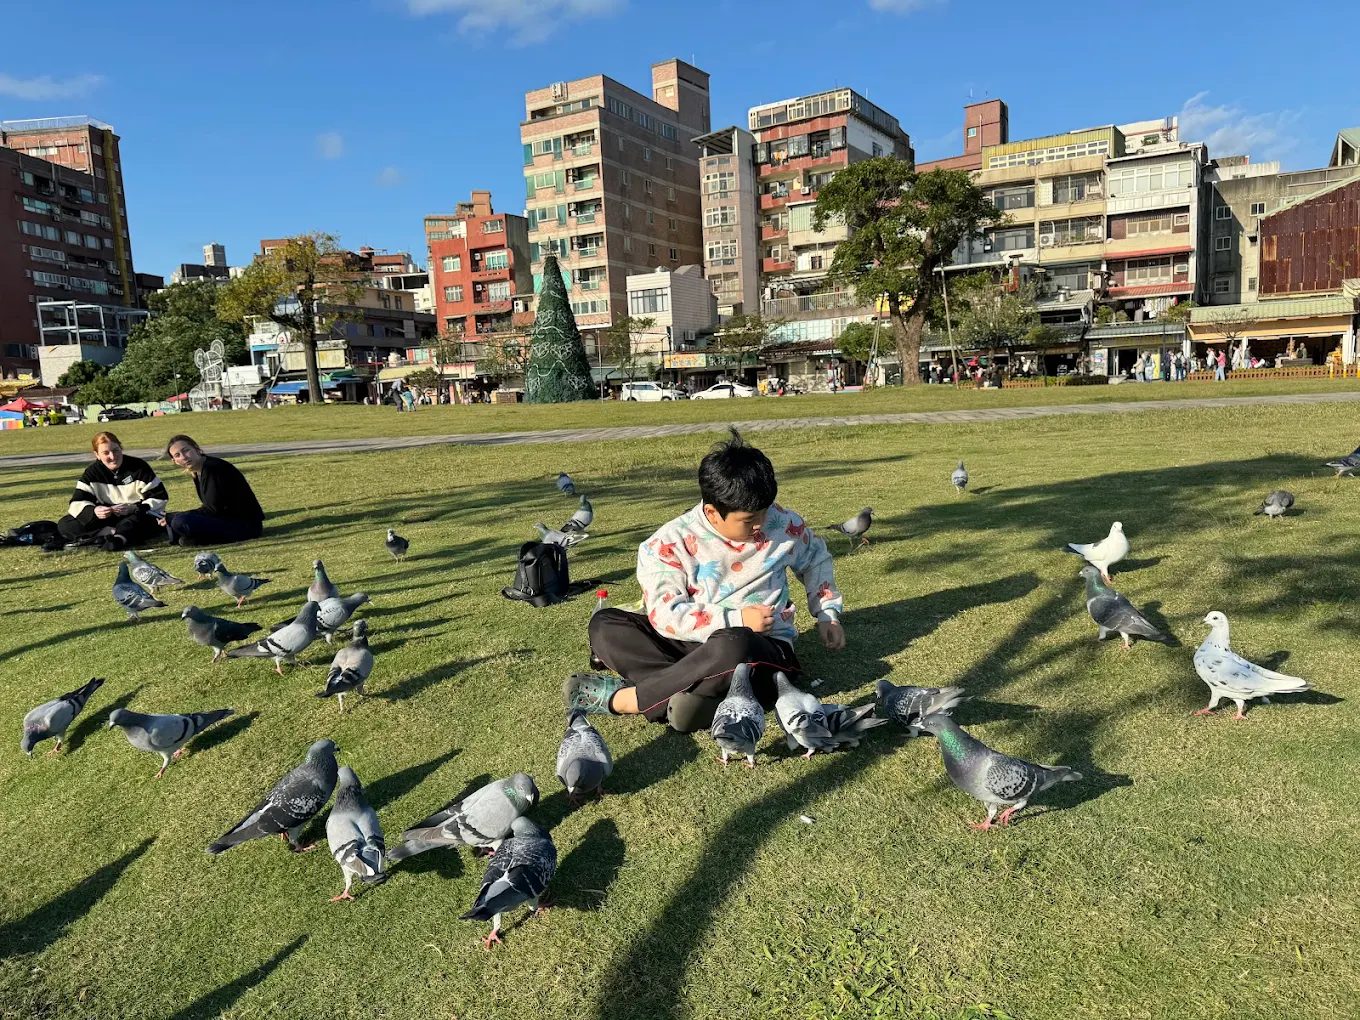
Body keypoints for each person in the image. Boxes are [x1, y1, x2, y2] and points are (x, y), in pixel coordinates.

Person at [569, 429, 846, 733]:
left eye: (764, 513)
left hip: (759, 649)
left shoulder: (784, 525)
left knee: (735, 644)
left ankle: (634, 699)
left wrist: (827, 614)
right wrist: (735, 618)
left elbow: (815, 558)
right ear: (712, 513)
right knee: (605, 625)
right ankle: (698, 696)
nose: (761, 524)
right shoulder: (668, 543)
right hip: (690, 644)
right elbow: (664, 614)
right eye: (748, 519)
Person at [55, 431, 168, 551]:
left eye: (116, 450)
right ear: (97, 455)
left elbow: (159, 497)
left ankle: (115, 539)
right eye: (106, 453)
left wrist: (133, 508)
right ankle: (111, 534)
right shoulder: (92, 472)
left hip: (135, 515)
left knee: (135, 522)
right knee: (66, 523)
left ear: (121, 448)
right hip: (107, 520)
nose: (113, 457)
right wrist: (95, 511)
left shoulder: (139, 467)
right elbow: (77, 502)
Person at [158, 435, 264, 547]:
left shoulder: (212, 468)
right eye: (177, 455)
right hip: (228, 520)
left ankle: (196, 538)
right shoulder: (198, 471)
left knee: (180, 521)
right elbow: (210, 507)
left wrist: (176, 516)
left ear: (196, 449)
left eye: (186, 450)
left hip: (245, 526)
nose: (184, 457)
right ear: (174, 461)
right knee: (178, 522)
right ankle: (195, 539)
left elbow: (213, 509)